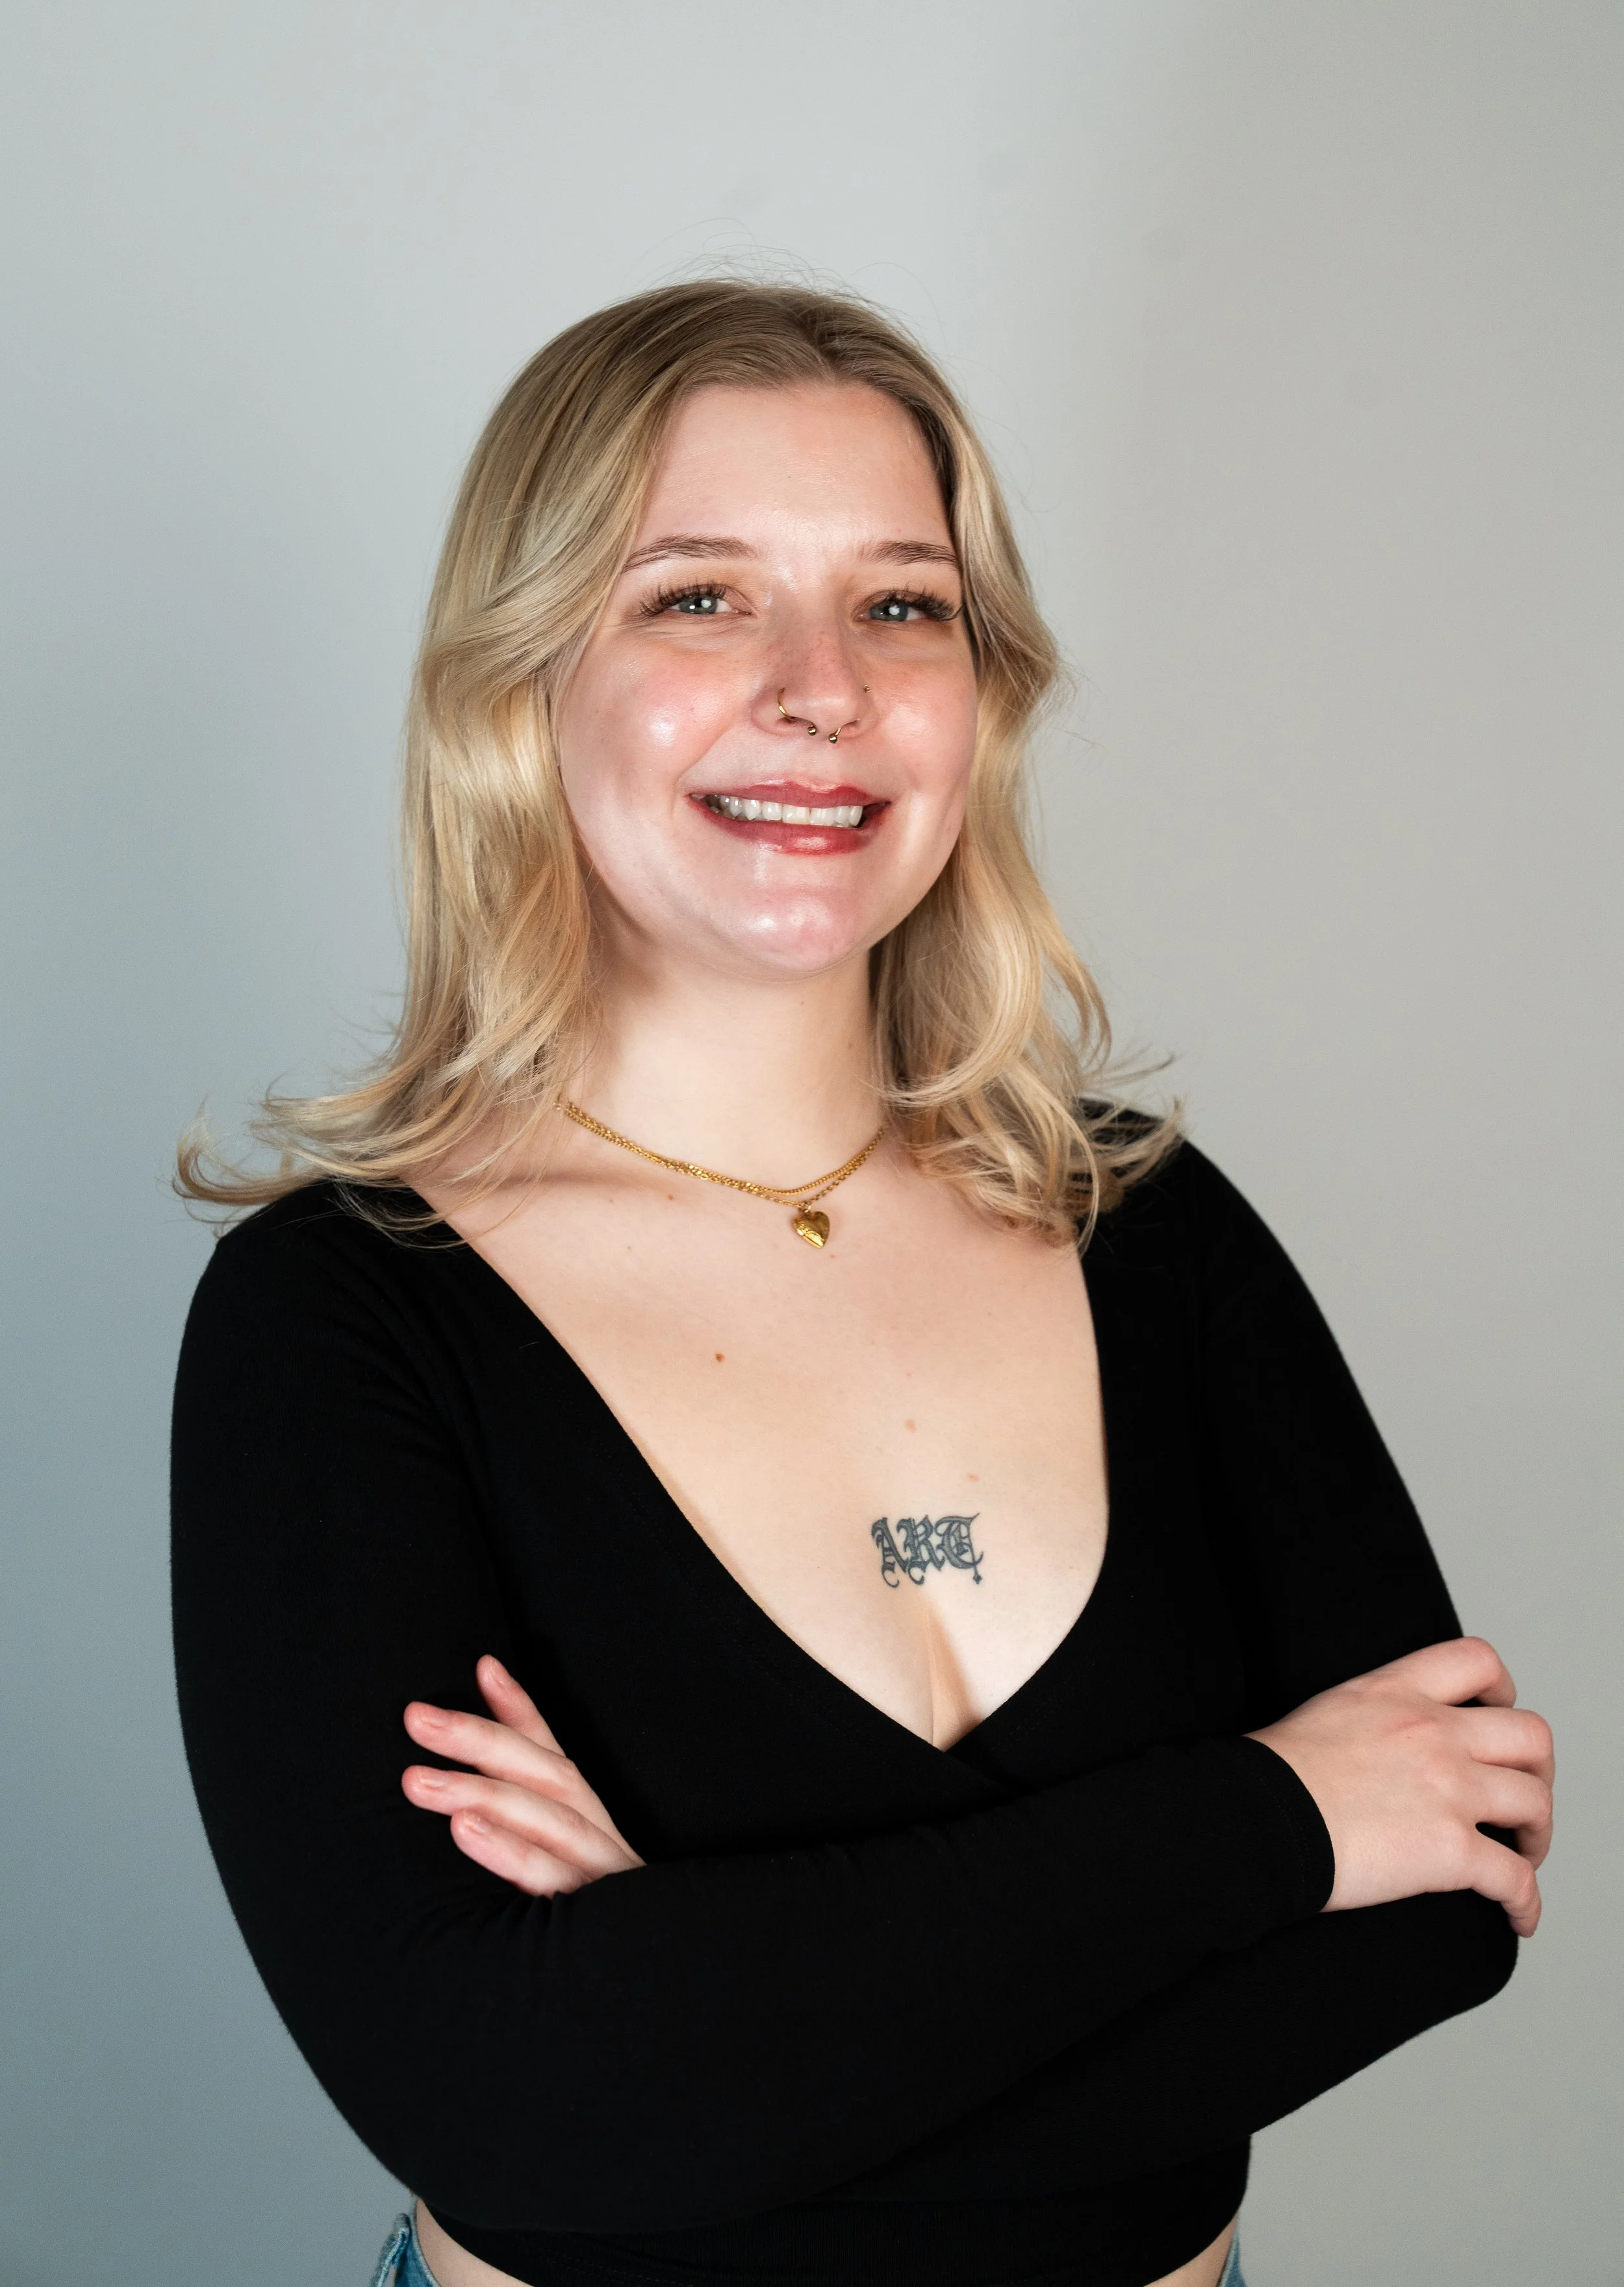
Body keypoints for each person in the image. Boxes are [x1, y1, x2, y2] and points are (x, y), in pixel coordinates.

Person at [171, 281, 1554, 2287]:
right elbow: (496, 2097)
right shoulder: (342, 1317)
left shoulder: (1151, 1228)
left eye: (903, 604)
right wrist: (1272, 1817)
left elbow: (1453, 1887)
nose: (822, 685)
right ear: (522, 675)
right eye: (699, 598)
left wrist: (697, 1999)